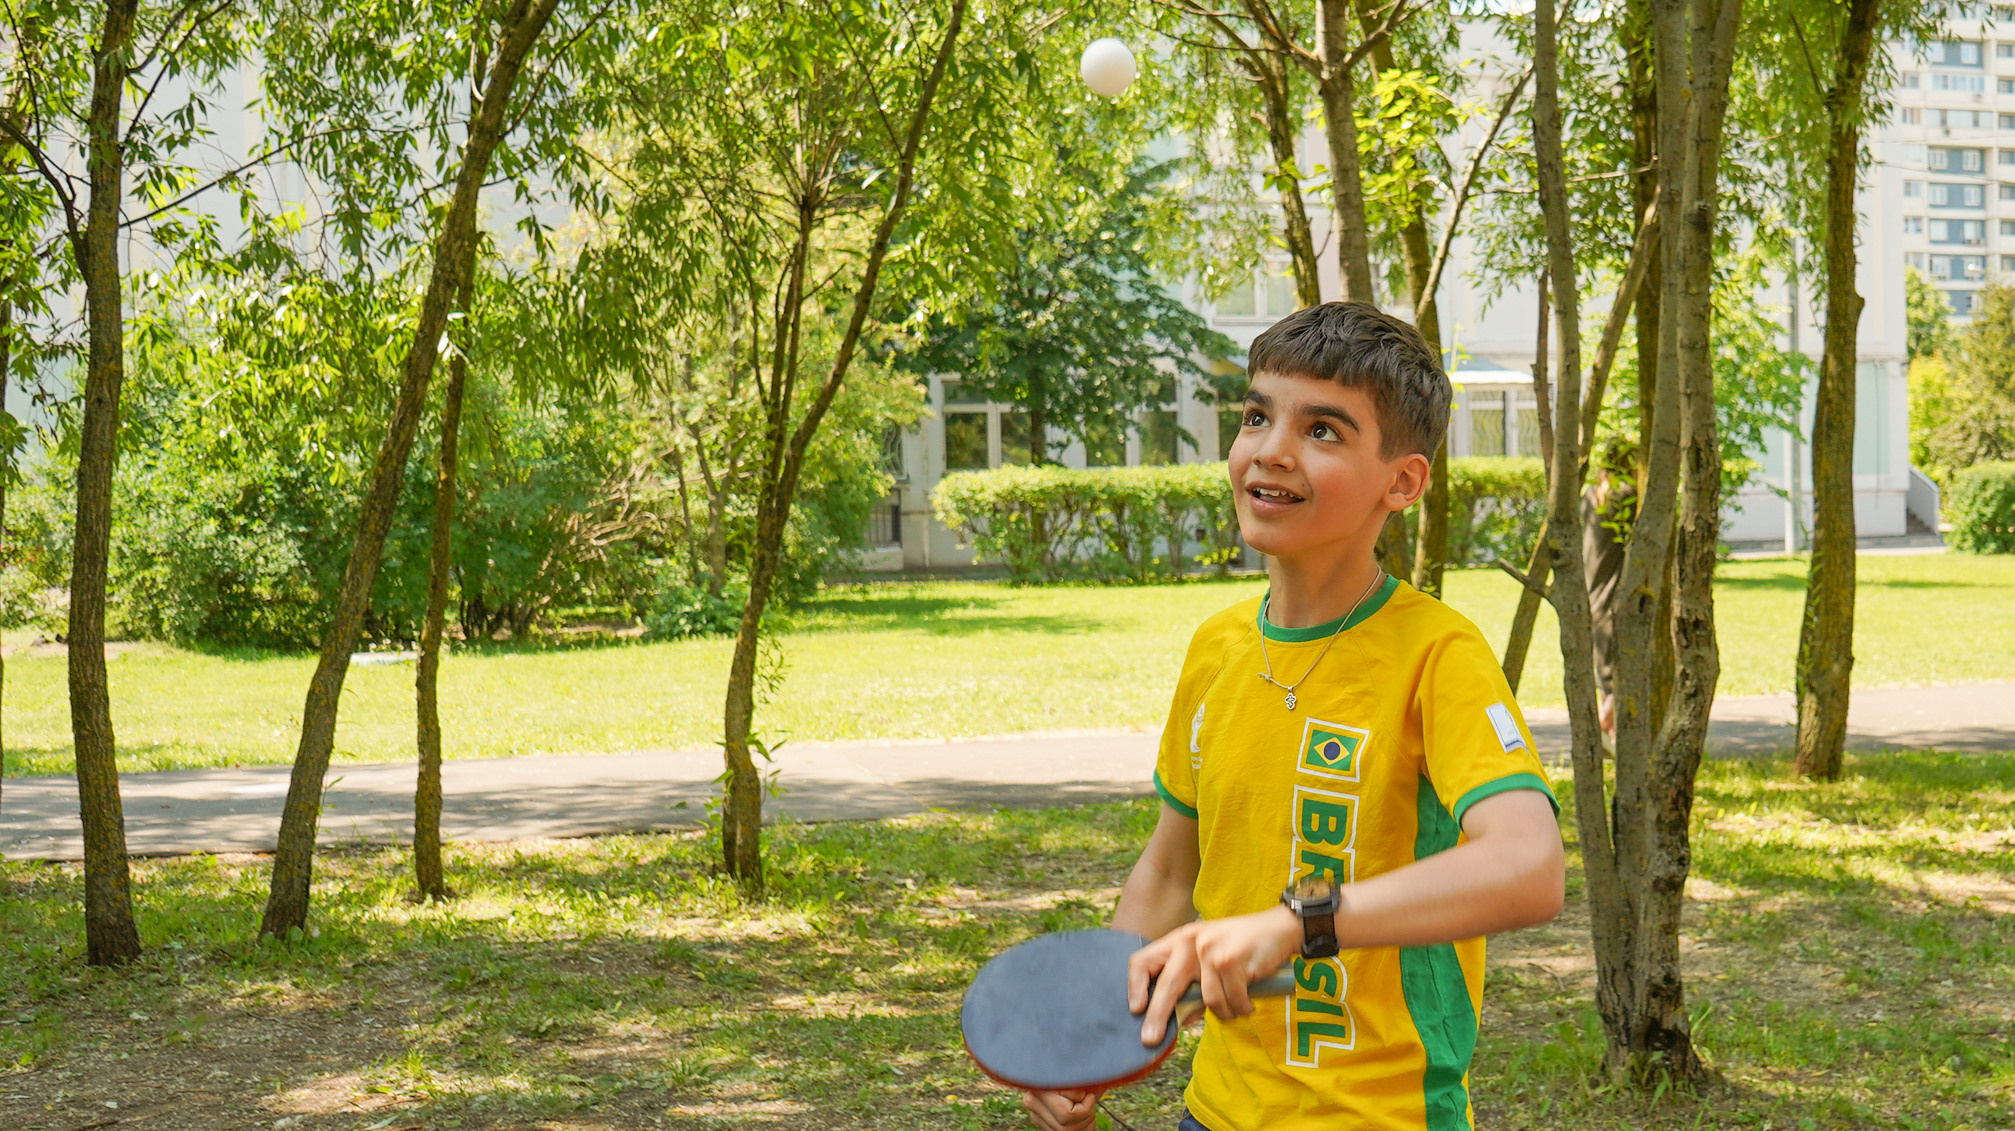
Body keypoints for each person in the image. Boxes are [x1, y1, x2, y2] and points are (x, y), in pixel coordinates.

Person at [1022, 302, 1566, 1131]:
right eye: (1255, 416)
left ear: (1403, 481)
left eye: (1323, 429)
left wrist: (1297, 922)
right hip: (1212, 1113)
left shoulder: (1437, 653)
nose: (1269, 448)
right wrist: (1091, 1035)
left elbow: (1528, 866)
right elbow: (1170, 871)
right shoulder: (1217, 648)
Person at [1581, 437, 1639, 740]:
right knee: (1619, 675)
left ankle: (1608, 739)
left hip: (1592, 593)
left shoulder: (1591, 495)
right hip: (1614, 596)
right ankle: (1603, 729)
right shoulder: (1626, 498)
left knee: (1605, 674)